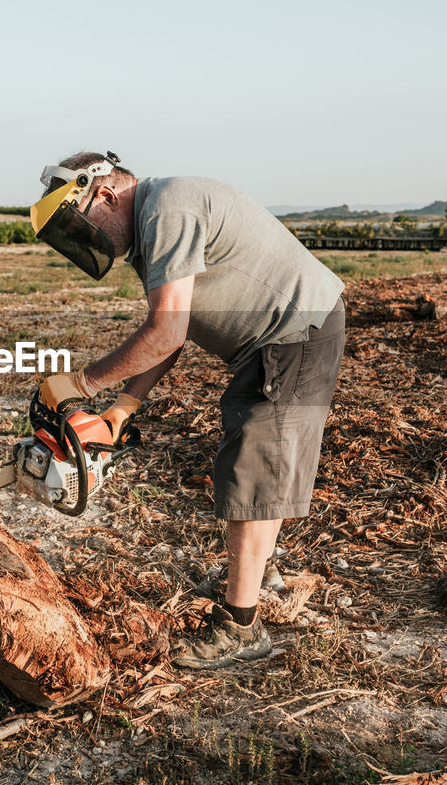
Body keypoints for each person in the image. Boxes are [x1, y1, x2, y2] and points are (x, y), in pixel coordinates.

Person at [32, 151, 346, 669]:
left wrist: (80, 383)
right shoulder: (154, 221)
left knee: (251, 469)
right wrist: (122, 409)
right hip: (283, 333)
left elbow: (164, 332)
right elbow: (174, 328)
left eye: (85, 225)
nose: (90, 241)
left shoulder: (167, 210)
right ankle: (257, 571)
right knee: (259, 464)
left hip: (294, 329)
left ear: (106, 196)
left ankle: (241, 627)